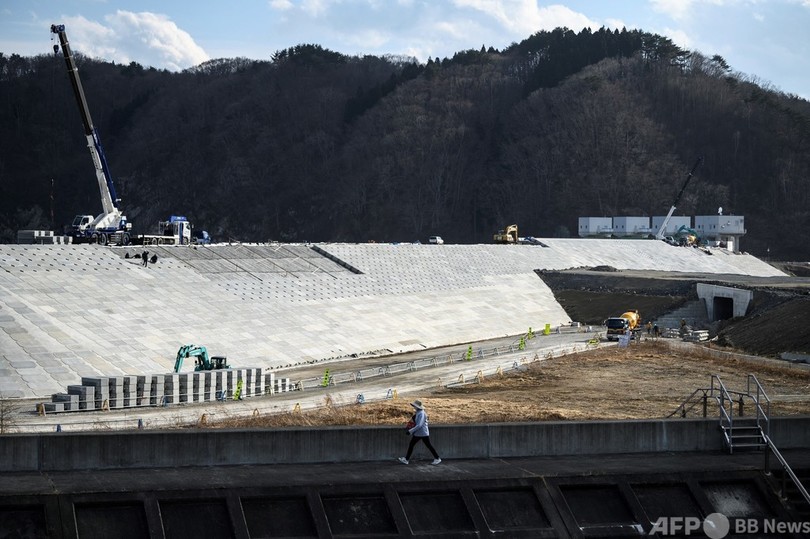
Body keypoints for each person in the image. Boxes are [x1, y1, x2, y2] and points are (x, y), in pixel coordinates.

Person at [398, 400, 441, 465]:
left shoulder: (421, 413)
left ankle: (406, 459)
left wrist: (410, 431)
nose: (413, 407)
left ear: (417, 407)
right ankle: (437, 458)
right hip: (421, 433)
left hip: (421, 433)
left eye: (414, 406)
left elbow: (419, 425)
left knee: (413, 445)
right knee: (426, 445)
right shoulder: (419, 412)